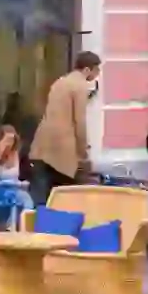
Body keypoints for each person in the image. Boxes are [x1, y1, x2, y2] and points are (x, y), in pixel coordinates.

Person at [29, 51, 102, 205]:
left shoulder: (59, 82)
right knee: (66, 198)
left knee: (42, 198)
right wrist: (83, 151)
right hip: (63, 151)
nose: (98, 74)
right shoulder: (80, 86)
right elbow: (79, 121)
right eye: (97, 70)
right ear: (87, 70)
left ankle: (37, 225)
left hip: (42, 145)